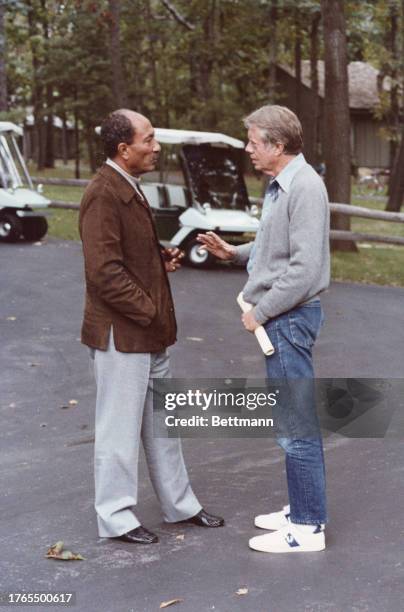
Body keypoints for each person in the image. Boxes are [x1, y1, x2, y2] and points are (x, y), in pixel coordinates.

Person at [79, 109, 224, 544]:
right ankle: (116, 518)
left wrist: (157, 260)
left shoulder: (127, 186)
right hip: (122, 336)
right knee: (118, 431)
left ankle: (180, 506)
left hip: (147, 333)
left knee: (164, 424)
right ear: (124, 150)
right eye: (149, 139)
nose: (156, 146)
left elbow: (125, 256)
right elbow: (103, 273)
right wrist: (151, 309)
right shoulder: (103, 194)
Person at [197, 105, 330, 553]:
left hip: (288, 318)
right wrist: (233, 253)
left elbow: (305, 268)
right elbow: (276, 245)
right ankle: (301, 507)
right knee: (289, 422)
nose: (248, 149)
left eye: (254, 142)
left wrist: (261, 311)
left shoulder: (305, 187)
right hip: (283, 318)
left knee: (296, 425)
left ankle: (308, 527)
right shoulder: (281, 186)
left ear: (276, 144)